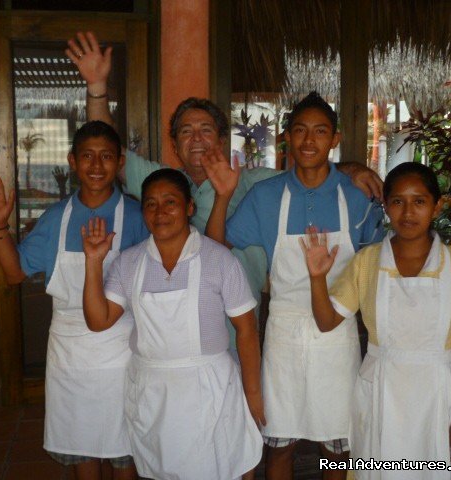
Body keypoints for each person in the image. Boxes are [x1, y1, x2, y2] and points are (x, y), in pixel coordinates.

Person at [65, 31, 383, 357]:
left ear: (221, 140)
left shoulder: (258, 184)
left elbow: (311, 167)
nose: (197, 139)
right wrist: (97, 89)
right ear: (175, 145)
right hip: (170, 326)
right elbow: (106, 152)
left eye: (206, 130)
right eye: (186, 132)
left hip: (240, 327)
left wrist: (351, 168)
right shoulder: (162, 184)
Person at [202, 91, 384, 480]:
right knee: (279, 446)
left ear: (335, 139)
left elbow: (378, 263)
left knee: (337, 448)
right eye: (300, 130)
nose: (308, 140)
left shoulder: (357, 198)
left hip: (338, 335)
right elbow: (216, 248)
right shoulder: (266, 196)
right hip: (283, 335)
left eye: (320, 132)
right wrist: (223, 197)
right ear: (287, 137)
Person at [0, 121, 148, 480]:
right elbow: (16, 272)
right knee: (83, 446)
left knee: (124, 451)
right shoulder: (56, 219)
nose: (97, 166)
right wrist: (0, 228)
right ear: (72, 161)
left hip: (124, 348)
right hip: (70, 354)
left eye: (106, 157)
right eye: (87, 156)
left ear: (120, 163)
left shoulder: (137, 216)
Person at [301, 162, 451, 480]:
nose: (408, 212)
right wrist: (317, 278)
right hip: (380, 392)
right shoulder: (367, 262)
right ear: (386, 206)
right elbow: (326, 322)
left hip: (435, 397)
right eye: (398, 201)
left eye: (419, 201)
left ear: (437, 206)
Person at [81, 168, 264, 480]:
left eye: (170, 202)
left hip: (210, 388)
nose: (160, 212)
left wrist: (253, 394)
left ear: (189, 207)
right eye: (150, 204)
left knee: (224, 466)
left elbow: (246, 330)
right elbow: (98, 321)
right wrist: (93, 262)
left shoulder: (219, 260)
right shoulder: (130, 262)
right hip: (154, 393)